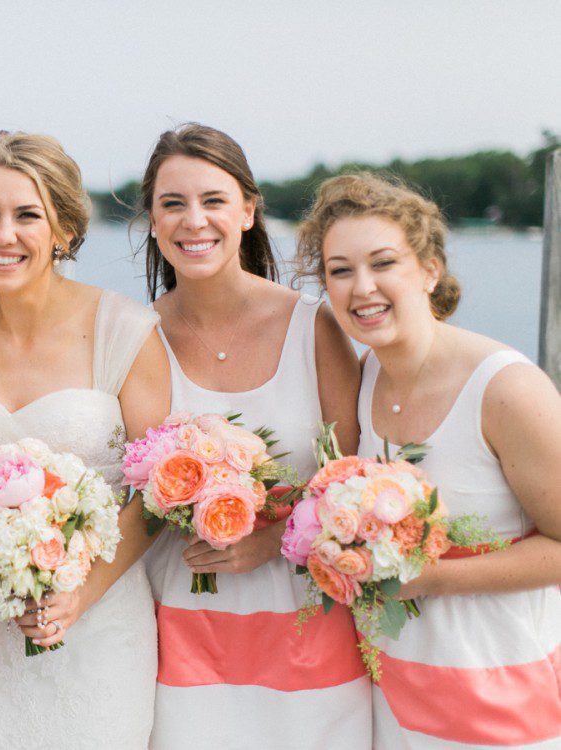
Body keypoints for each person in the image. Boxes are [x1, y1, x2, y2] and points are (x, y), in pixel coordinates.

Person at [298, 172, 561, 748]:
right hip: (390, 698)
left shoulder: (507, 390)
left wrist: (434, 577)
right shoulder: (361, 381)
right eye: (340, 270)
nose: (361, 286)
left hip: (501, 702)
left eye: (383, 262)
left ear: (430, 268)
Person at [0, 131, 170, 749]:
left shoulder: (125, 329)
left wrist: (76, 597)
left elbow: (155, 495)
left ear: (63, 228)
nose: (3, 235)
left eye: (26, 215)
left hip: (100, 625)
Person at [142, 124, 371, 747]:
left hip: (304, 631)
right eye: (173, 204)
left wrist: (272, 538)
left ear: (247, 210)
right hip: (181, 632)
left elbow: (354, 481)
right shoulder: (131, 333)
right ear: (153, 222)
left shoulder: (314, 327)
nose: (195, 221)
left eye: (214, 200)